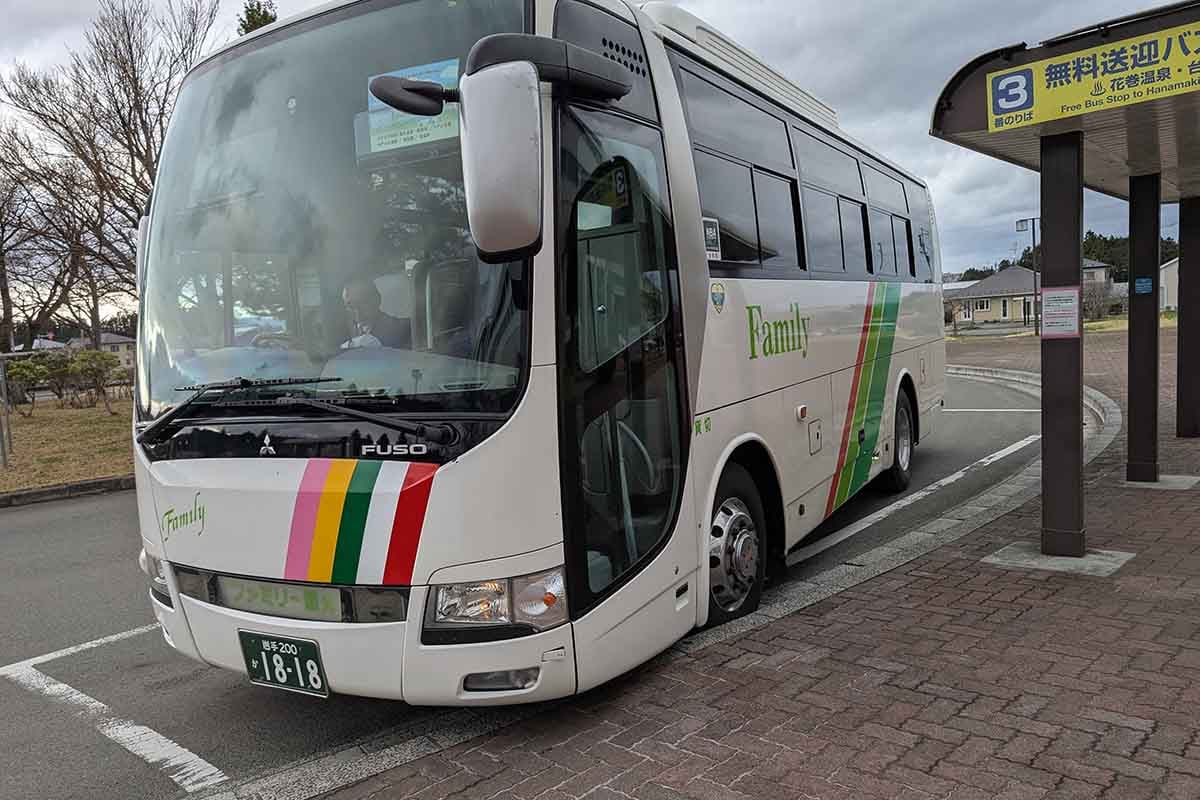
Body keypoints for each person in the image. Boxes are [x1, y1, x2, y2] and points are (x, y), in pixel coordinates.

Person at [341, 276, 412, 349]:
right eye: (350, 306)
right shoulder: (339, 336)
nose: (357, 311)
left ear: (377, 300)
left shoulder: (406, 330)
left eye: (363, 303)